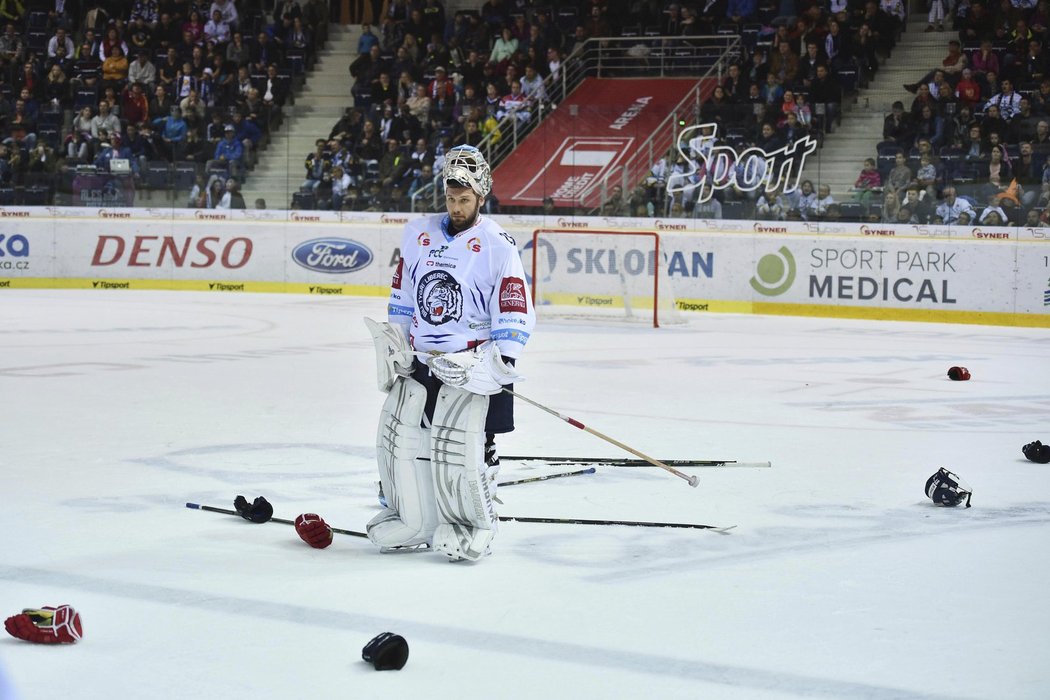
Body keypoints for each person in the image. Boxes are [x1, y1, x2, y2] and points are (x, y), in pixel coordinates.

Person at [359, 145, 535, 563]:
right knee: (405, 440)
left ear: (481, 197)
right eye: (451, 198)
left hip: (469, 363)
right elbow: (402, 292)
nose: (456, 207)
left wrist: (501, 360)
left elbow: (512, 304)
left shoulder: (497, 244)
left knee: (466, 446)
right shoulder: (418, 233)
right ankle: (413, 517)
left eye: (465, 200)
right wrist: (397, 342)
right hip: (422, 359)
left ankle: (473, 523)